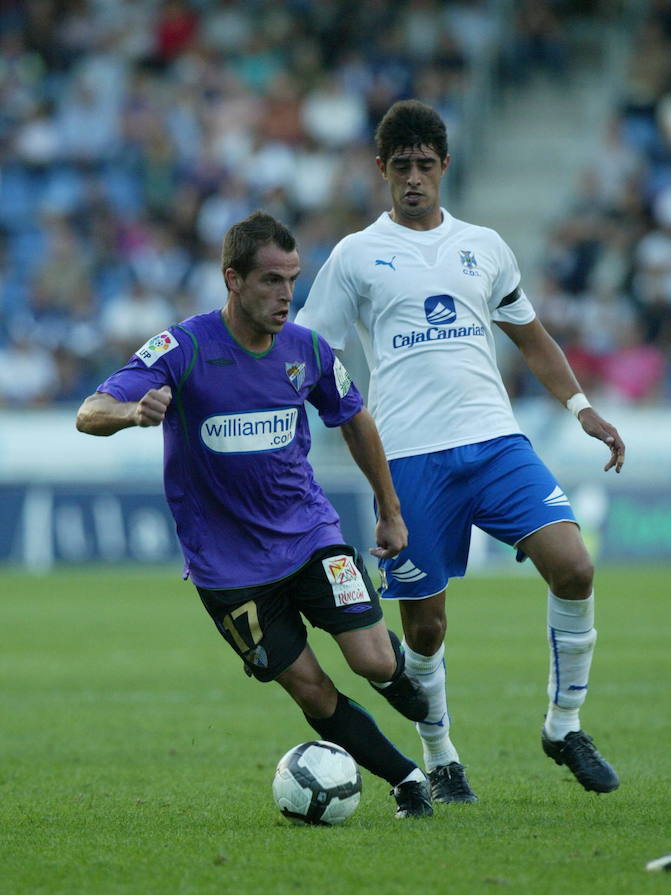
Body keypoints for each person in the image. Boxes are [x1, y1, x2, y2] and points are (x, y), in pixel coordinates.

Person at [295, 100, 625, 802]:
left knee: (572, 567)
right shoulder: (356, 254)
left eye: (424, 166)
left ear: (443, 167)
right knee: (425, 624)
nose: (413, 179)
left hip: (496, 441)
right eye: (400, 168)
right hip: (410, 456)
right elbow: (309, 350)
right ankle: (441, 756)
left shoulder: (484, 245)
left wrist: (581, 407)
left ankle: (563, 725)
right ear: (381, 171)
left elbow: (531, 337)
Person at [76, 211, 434, 819]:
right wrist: (133, 412)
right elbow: (90, 410)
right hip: (229, 571)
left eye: (292, 280)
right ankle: (408, 781)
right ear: (232, 280)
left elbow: (355, 419)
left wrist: (390, 512)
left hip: (310, 535)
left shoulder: (308, 349)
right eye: (271, 280)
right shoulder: (183, 348)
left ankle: (398, 672)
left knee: (371, 660)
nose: (286, 295)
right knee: (314, 692)